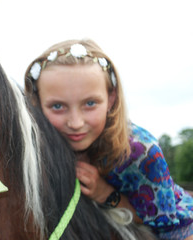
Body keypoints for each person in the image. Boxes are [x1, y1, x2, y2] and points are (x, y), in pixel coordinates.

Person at [24, 39, 193, 239]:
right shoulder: (38, 146)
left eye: (90, 103)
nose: (76, 122)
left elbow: (158, 218)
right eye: (58, 106)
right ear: (36, 102)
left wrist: (105, 193)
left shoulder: (142, 151)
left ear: (111, 98)